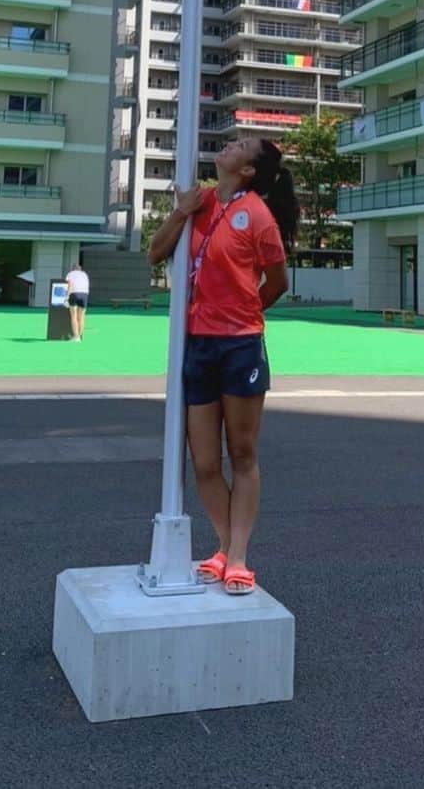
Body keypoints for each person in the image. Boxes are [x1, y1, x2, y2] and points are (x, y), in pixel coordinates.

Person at [147, 136, 298, 597]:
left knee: (243, 454)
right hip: (199, 345)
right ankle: (223, 545)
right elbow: (156, 253)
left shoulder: (257, 215)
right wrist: (181, 211)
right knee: (205, 461)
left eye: (241, 145)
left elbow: (277, 281)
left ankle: (237, 557)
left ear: (248, 170)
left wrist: (245, 316)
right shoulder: (202, 202)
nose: (231, 144)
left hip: (240, 346)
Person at [64, 263, 90, 341]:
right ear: (80, 269)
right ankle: (80, 335)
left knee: (74, 316)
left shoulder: (70, 274)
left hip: (74, 293)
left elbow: (70, 284)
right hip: (84, 295)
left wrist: (67, 297)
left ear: (73, 269)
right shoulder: (84, 274)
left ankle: (76, 336)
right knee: (81, 317)